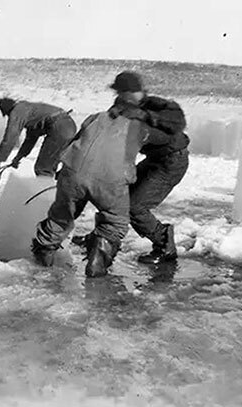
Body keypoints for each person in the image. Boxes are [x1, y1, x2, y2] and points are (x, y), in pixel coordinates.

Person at [31, 72, 167, 278]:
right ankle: (97, 263)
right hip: (110, 179)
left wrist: (63, 172)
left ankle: (43, 259)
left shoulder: (95, 117)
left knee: (61, 216)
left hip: (73, 172)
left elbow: (75, 143)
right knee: (115, 222)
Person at [72, 72, 190, 265]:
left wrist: (145, 115)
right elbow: (105, 131)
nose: (123, 97)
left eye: (127, 92)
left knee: (136, 207)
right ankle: (100, 238)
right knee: (115, 197)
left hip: (171, 162)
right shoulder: (121, 106)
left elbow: (177, 122)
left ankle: (164, 245)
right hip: (153, 159)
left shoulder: (155, 104)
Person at [0, 98, 77, 177]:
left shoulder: (17, 111)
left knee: (43, 168)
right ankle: (54, 189)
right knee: (51, 165)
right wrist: (18, 158)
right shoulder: (31, 111)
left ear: (7, 111)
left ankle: (44, 192)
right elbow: (30, 140)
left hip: (59, 127)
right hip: (69, 124)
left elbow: (10, 138)